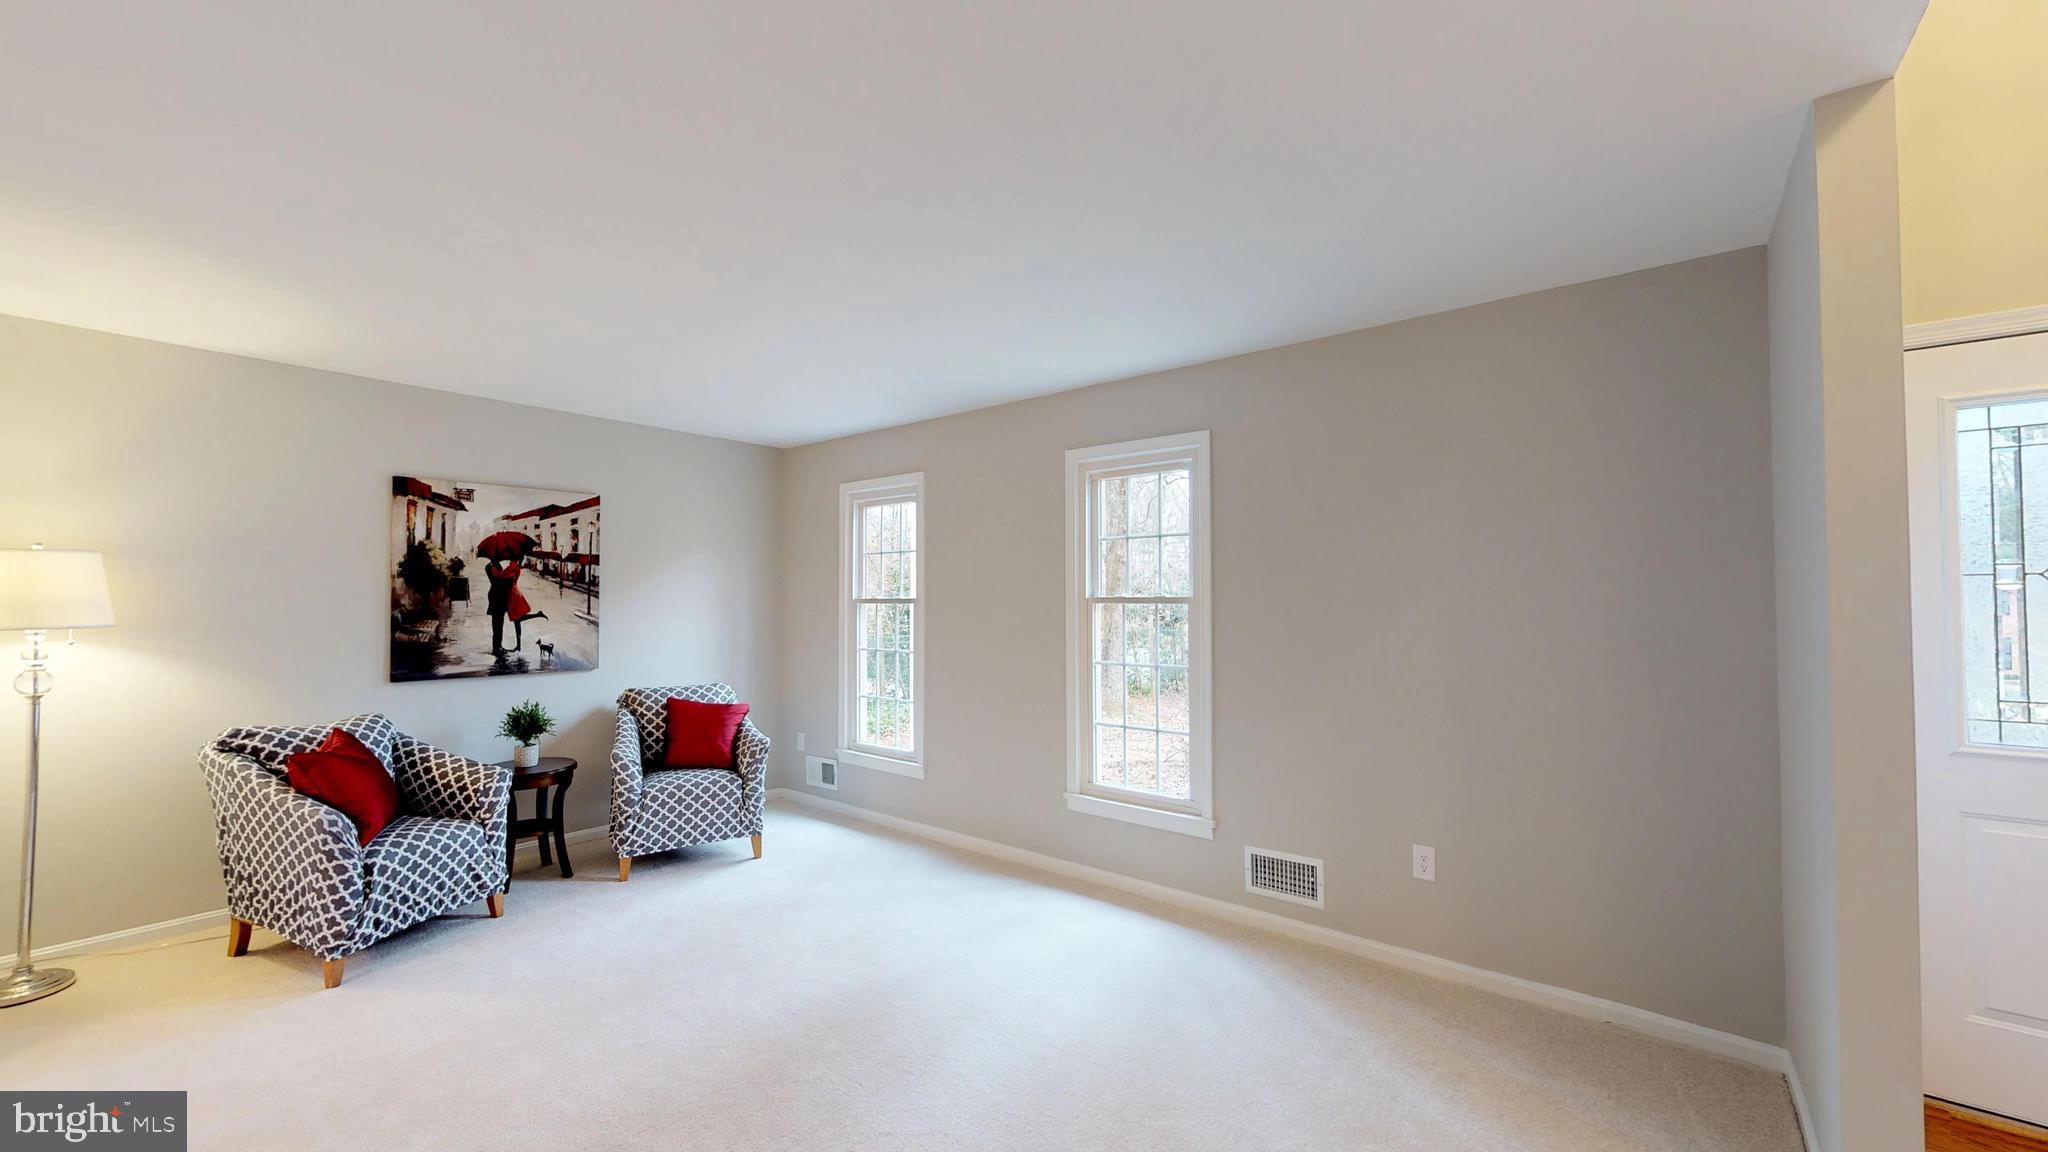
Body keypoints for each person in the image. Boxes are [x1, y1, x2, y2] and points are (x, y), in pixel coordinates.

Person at [484, 558, 548, 656]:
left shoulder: (506, 566)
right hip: (499, 597)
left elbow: (504, 577)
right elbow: (498, 580)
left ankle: (501, 646)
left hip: (507, 597)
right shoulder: (491, 567)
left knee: (506, 622)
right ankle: (498, 648)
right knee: (501, 623)